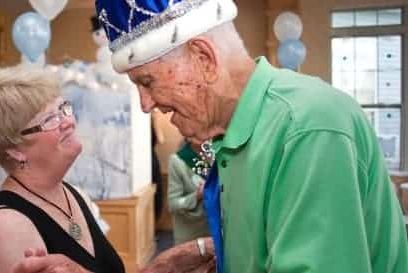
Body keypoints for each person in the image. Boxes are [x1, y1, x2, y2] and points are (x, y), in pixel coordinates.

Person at [94, 0, 408, 272]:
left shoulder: (305, 128)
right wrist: (211, 250)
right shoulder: (239, 131)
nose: (146, 104)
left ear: (204, 58)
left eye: (147, 82)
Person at [0, 69, 124, 273]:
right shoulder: (7, 226)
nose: (69, 122)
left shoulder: (68, 192)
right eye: (50, 120)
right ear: (15, 151)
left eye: (64, 109)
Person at [167, 143, 209, 245]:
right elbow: (173, 204)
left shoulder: (220, 154)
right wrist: (197, 195)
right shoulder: (178, 160)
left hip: (219, 231)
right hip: (191, 234)